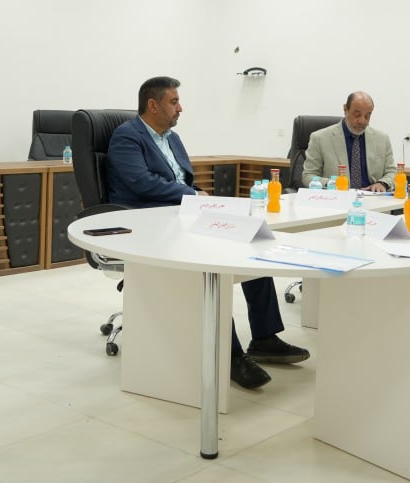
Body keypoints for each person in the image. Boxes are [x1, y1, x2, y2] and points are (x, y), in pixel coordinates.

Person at [108, 76, 309, 389]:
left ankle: (265, 337)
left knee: (251, 241)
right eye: (174, 101)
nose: (180, 108)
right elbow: (142, 183)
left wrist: (199, 197)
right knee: (212, 267)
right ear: (153, 105)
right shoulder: (127, 136)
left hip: (182, 215)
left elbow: (183, 180)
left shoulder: (172, 138)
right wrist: (191, 196)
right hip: (150, 222)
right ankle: (230, 356)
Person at [301, 92, 395, 191]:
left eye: (367, 116)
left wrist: (383, 183)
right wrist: (332, 183)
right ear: (345, 109)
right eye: (357, 115)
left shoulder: (382, 139)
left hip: (373, 197)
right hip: (337, 196)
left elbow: (391, 172)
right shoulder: (320, 138)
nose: (362, 121)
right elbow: (308, 176)